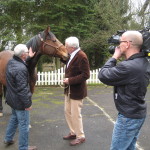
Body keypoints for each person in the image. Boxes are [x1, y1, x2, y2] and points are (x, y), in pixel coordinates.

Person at [98, 31, 150, 150]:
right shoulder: (143, 62)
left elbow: (103, 75)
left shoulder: (128, 67)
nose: (118, 46)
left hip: (128, 117)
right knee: (129, 147)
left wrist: (115, 56)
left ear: (127, 44)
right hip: (137, 113)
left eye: (120, 42)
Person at [4, 44, 37, 150]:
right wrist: (27, 104)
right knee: (24, 125)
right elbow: (23, 89)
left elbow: (22, 63)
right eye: (27, 52)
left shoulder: (11, 62)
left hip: (12, 99)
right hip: (20, 102)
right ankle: (23, 147)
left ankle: (8, 138)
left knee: (14, 118)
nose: (28, 53)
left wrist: (30, 57)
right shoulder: (21, 69)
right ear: (23, 55)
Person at [62, 37, 90, 146]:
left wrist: (70, 80)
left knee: (76, 114)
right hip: (69, 90)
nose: (65, 47)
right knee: (67, 111)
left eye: (66, 46)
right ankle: (73, 132)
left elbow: (86, 75)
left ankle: (80, 136)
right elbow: (69, 65)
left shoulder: (82, 56)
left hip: (77, 90)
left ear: (72, 47)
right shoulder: (72, 55)